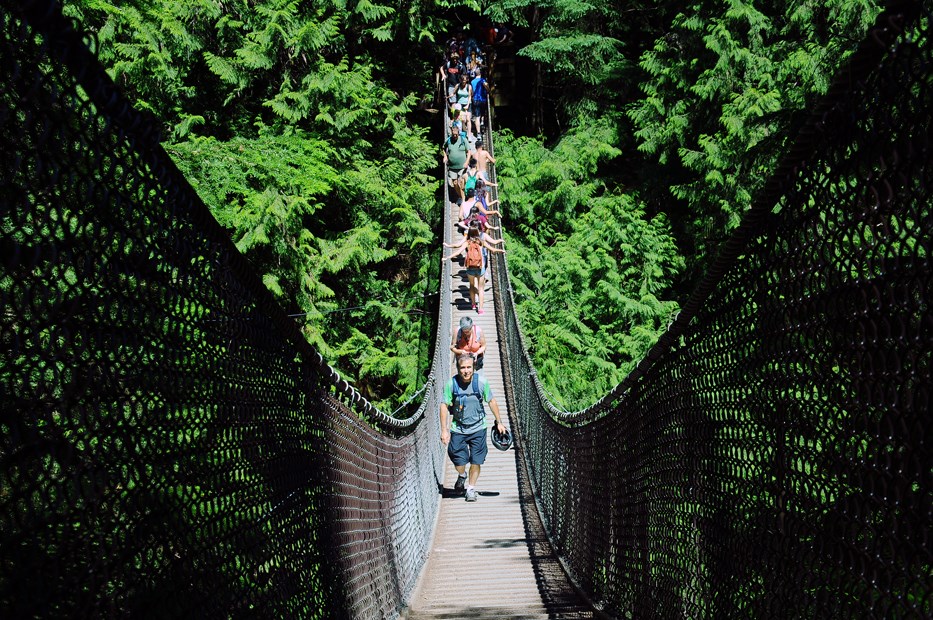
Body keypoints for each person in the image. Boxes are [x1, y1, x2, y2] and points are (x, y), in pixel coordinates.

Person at [440, 354, 506, 501]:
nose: (466, 371)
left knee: (476, 460)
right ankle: (462, 475)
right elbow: (444, 406)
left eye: (469, 367)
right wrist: (444, 430)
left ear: (474, 367)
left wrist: (499, 422)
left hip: (478, 427)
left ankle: (470, 489)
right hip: (459, 428)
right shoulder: (451, 384)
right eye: (462, 367)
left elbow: (492, 401)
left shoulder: (481, 382)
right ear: (457, 368)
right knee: (459, 460)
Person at [443, 224, 504, 314]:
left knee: (471, 285)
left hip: (470, 268)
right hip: (480, 268)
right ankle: (480, 309)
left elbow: (457, 250)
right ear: (477, 233)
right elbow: (493, 250)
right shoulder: (481, 242)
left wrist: (447, 257)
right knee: (481, 288)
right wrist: (501, 250)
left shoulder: (467, 243)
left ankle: (473, 304)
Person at [442, 130, 471, 205]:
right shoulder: (448, 140)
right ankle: (461, 196)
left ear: (458, 133)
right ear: (451, 133)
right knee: (454, 183)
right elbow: (443, 148)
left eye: (456, 135)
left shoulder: (463, 140)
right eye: (453, 134)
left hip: (462, 167)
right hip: (452, 167)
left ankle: (463, 199)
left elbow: (469, 152)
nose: (455, 136)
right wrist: (445, 156)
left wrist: (467, 162)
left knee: (460, 182)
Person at [471, 69, 490, 137]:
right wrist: (488, 90)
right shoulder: (482, 80)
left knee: (477, 116)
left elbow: (472, 91)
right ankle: (482, 123)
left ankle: (478, 133)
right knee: (482, 113)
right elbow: (486, 85)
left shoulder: (472, 81)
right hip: (483, 99)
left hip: (475, 100)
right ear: (480, 73)